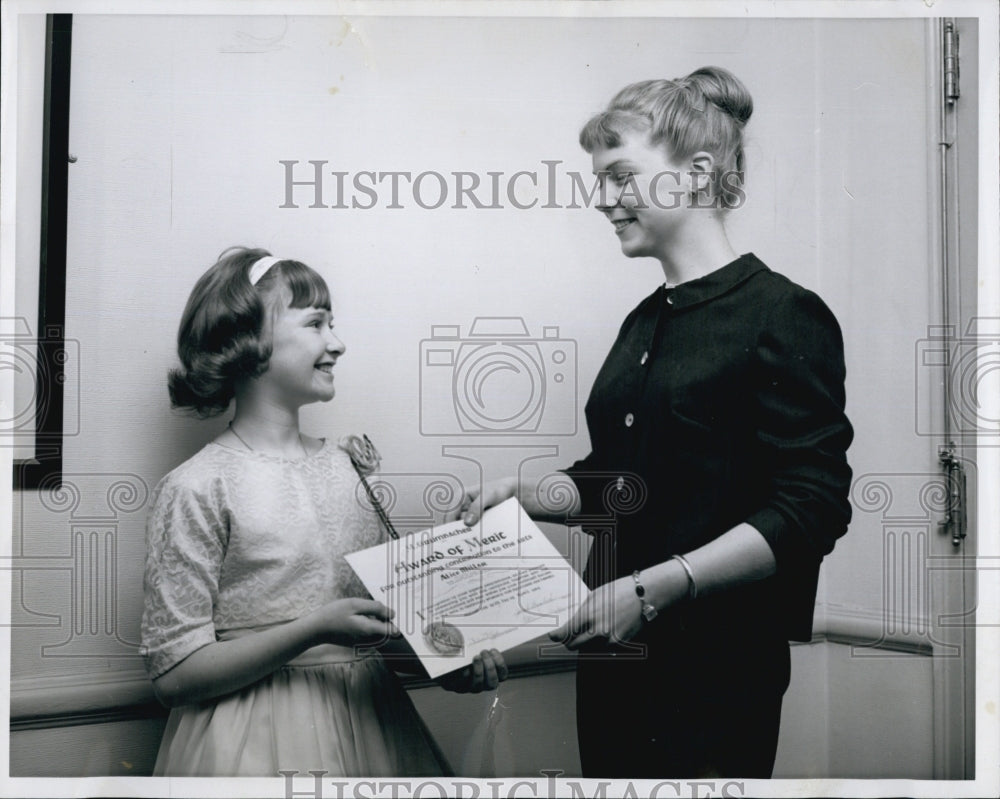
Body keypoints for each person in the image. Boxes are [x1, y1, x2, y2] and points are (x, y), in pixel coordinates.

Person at [455, 67, 853, 778]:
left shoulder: (783, 313)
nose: (601, 198)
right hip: (612, 659)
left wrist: (651, 589)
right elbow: (627, 481)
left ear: (696, 173)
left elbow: (811, 507)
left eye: (620, 175)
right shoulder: (643, 321)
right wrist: (527, 492)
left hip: (718, 668)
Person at [141, 247, 506, 776]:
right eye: (316, 323)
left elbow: (378, 634)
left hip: (371, 725)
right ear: (250, 339)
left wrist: (448, 664)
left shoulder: (348, 469)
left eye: (334, 324)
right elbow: (173, 676)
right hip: (251, 742)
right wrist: (313, 629)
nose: (338, 343)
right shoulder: (196, 486)